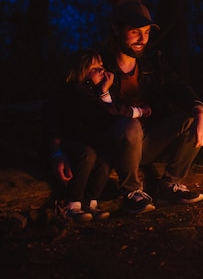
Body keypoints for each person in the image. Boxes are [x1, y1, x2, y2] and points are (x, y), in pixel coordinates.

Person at [96, 0, 203, 215]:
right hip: (114, 144)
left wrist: (200, 112)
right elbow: (96, 112)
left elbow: (179, 87)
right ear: (116, 30)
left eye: (146, 32)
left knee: (193, 117)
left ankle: (169, 186)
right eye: (134, 32)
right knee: (131, 126)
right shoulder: (99, 64)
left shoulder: (153, 63)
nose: (142, 39)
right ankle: (131, 193)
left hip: (147, 142)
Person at [43, 48, 151, 222]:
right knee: (88, 154)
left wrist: (103, 91)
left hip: (85, 142)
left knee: (103, 157)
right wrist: (138, 111)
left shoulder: (90, 92)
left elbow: (107, 116)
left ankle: (90, 202)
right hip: (67, 142)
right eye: (95, 68)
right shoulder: (75, 91)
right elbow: (107, 112)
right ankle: (72, 205)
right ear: (81, 72)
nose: (102, 70)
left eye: (101, 65)